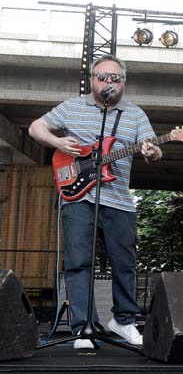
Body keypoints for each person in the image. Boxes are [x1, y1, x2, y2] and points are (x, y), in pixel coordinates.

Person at [28, 54, 162, 349]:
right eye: (102, 77)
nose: (108, 83)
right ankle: (83, 328)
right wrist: (58, 143)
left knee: (124, 263)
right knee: (78, 262)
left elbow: (153, 151)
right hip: (78, 196)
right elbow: (36, 127)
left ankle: (124, 321)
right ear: (92, 80)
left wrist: (153, 152)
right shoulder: (72, 107)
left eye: (115, 78)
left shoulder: (136, 114)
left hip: (120, 202)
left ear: (124, 82)